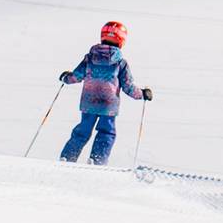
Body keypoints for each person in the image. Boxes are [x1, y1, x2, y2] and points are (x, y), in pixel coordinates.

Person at [59, 21, 153, 166]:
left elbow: (76, 76)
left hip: (89, 102)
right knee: (106, 133)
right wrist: (142, 94)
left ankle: (68, 157)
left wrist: (66, 77)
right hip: (108, 106)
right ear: (121, 41)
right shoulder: (120, 63)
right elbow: (128, 87)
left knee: (82, 130)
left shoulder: (89, 58)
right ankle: (97, 159)